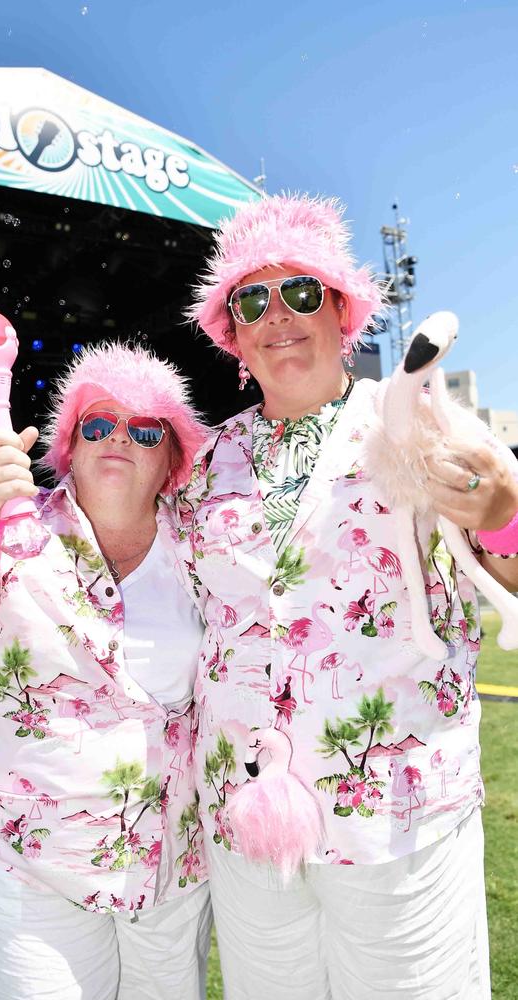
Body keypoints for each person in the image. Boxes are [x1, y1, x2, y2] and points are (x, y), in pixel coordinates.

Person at [183, 192, 518, 999]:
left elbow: (503, 556)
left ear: (342, 309)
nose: (277, 316)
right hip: (248, 824)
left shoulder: (417, 423)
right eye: (251, 300)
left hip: (397, 818)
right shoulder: (198, 463)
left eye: (301, 291)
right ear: (232, 333)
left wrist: (503, 518)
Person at [0, 342, 211, 1000]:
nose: (117, 437)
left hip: (170, 869)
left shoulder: (204, 552)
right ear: (70, 446)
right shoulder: (10, 530)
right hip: (22, 865)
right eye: (97, 423)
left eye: (144, 428)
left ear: (172, 460)